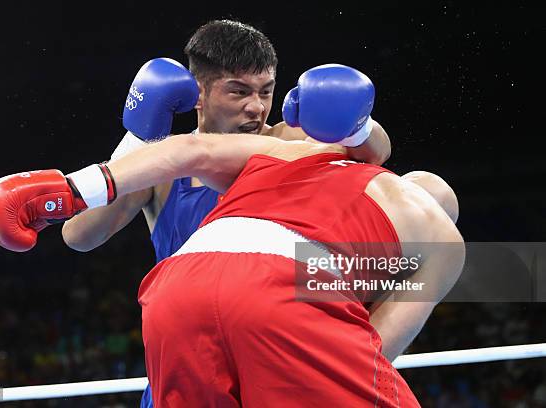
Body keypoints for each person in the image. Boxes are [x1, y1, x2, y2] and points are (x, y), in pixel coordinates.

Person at [0, 130, 465, 407]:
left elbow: (186, 153)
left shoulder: (293, 153)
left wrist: (69, 188)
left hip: (179, 282)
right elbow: (375, 350)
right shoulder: (442, 240)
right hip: (276, 289)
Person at [58, 20, 391, 406]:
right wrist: (136, 139)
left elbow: (377, 153)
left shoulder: (291, 142)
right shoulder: (165, 166)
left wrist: (357, 127)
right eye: (239, 92)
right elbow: (80, 236)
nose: (257, 106)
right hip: (190, 364)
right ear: (197, 94)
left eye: (266, 91)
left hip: (282, 352)